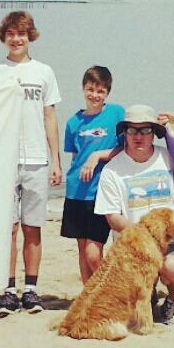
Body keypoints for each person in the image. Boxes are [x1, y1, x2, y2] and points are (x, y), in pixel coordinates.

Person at [0, 11, 62, 317]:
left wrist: (55, 160)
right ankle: (8, 290)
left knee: (32, 227)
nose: (17, 39)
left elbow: (49, 115)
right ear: (4, 37)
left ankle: (31, 289)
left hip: (36, 159)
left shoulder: (44, 72)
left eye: (22, 34)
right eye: (11, 34)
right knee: (7, 229)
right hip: (3, 160)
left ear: (31, 37)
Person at [94, 105, 174, 325]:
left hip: (168, 240)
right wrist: (145, 236)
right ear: (124, 133)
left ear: (153, 133)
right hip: (131, 242)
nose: (139, 136)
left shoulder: (171, 159)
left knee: (172, 268)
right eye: (132, 131)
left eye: (145, 130)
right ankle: (148, 292)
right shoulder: (112, 170)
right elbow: (112, 217)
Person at [61, 66, 125, 283]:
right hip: (76, 192)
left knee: (93, 252)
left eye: (100, 91)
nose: (95, 95)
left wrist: (97, 155)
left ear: (107, 92)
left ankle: (108, 291)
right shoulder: (73, 122)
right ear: (83, 88)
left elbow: (123, 149)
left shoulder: (116, 113)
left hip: (101, 193)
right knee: (82, 251)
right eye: (90, 89)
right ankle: (89, 297)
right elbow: (75, 156)